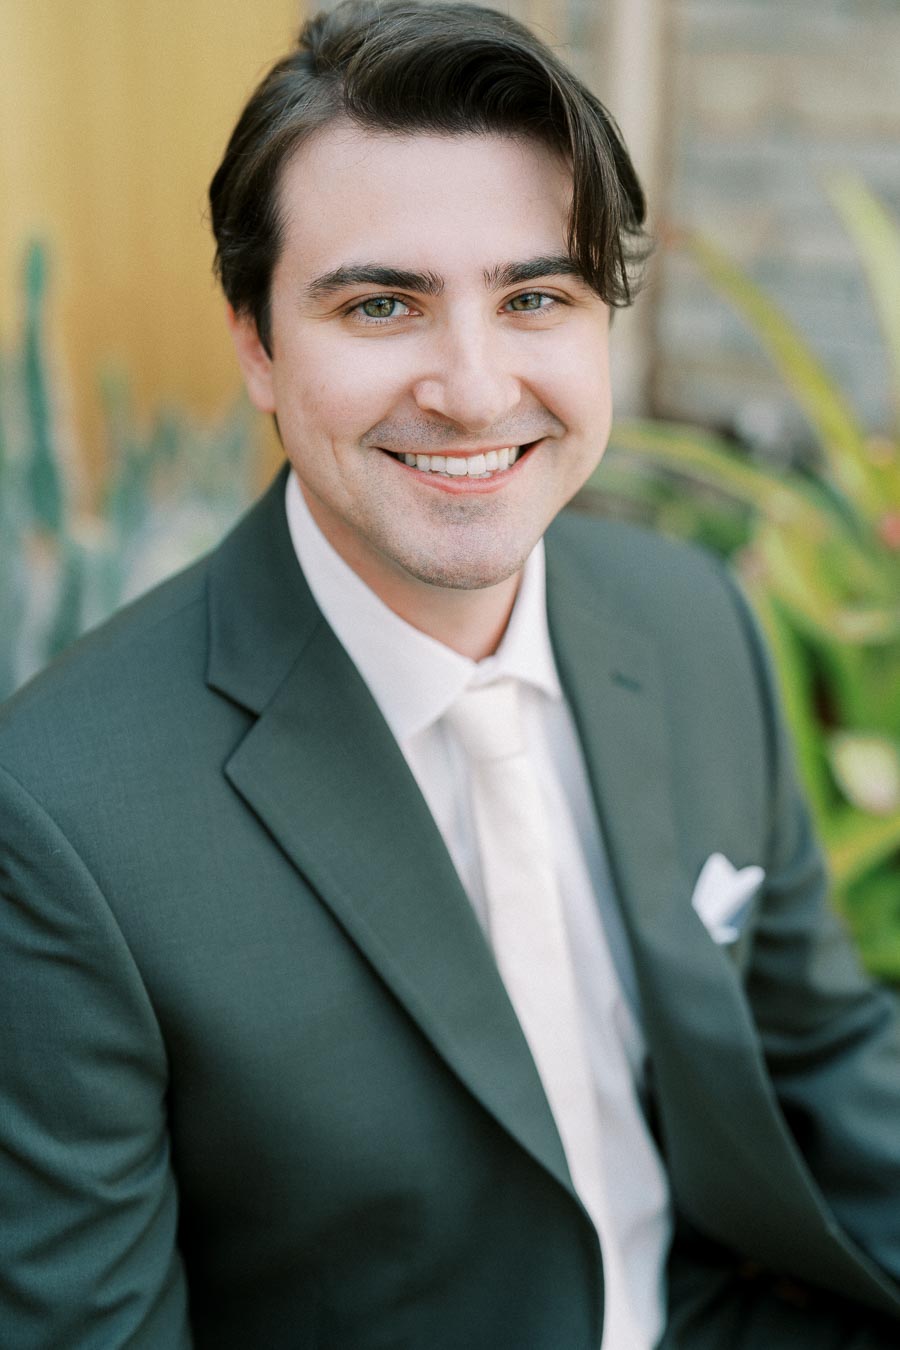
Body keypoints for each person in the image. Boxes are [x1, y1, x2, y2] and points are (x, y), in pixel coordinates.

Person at [1, 2, 898, 1346]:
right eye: (382, 304)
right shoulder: (63, 816)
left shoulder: (692, 619)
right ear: (255, 341)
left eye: (535, 297)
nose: (475, 391)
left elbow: (820, 1048)